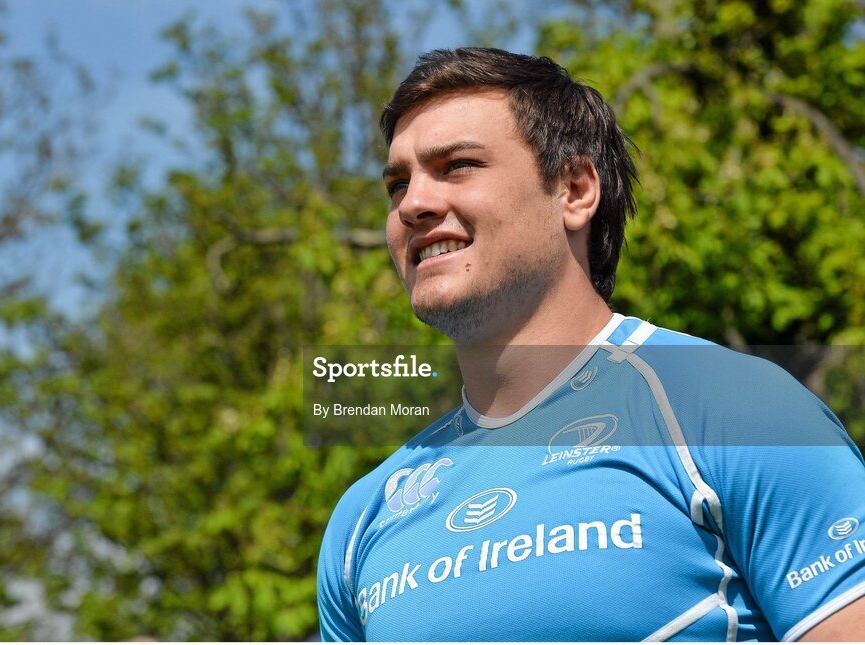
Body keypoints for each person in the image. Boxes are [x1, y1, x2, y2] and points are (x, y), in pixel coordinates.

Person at [316, 47, 865, 641]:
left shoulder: (734, 410)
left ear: (575, 190)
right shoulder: (363, 517)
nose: (414, 204)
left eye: (457, 166)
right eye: (398, 183)